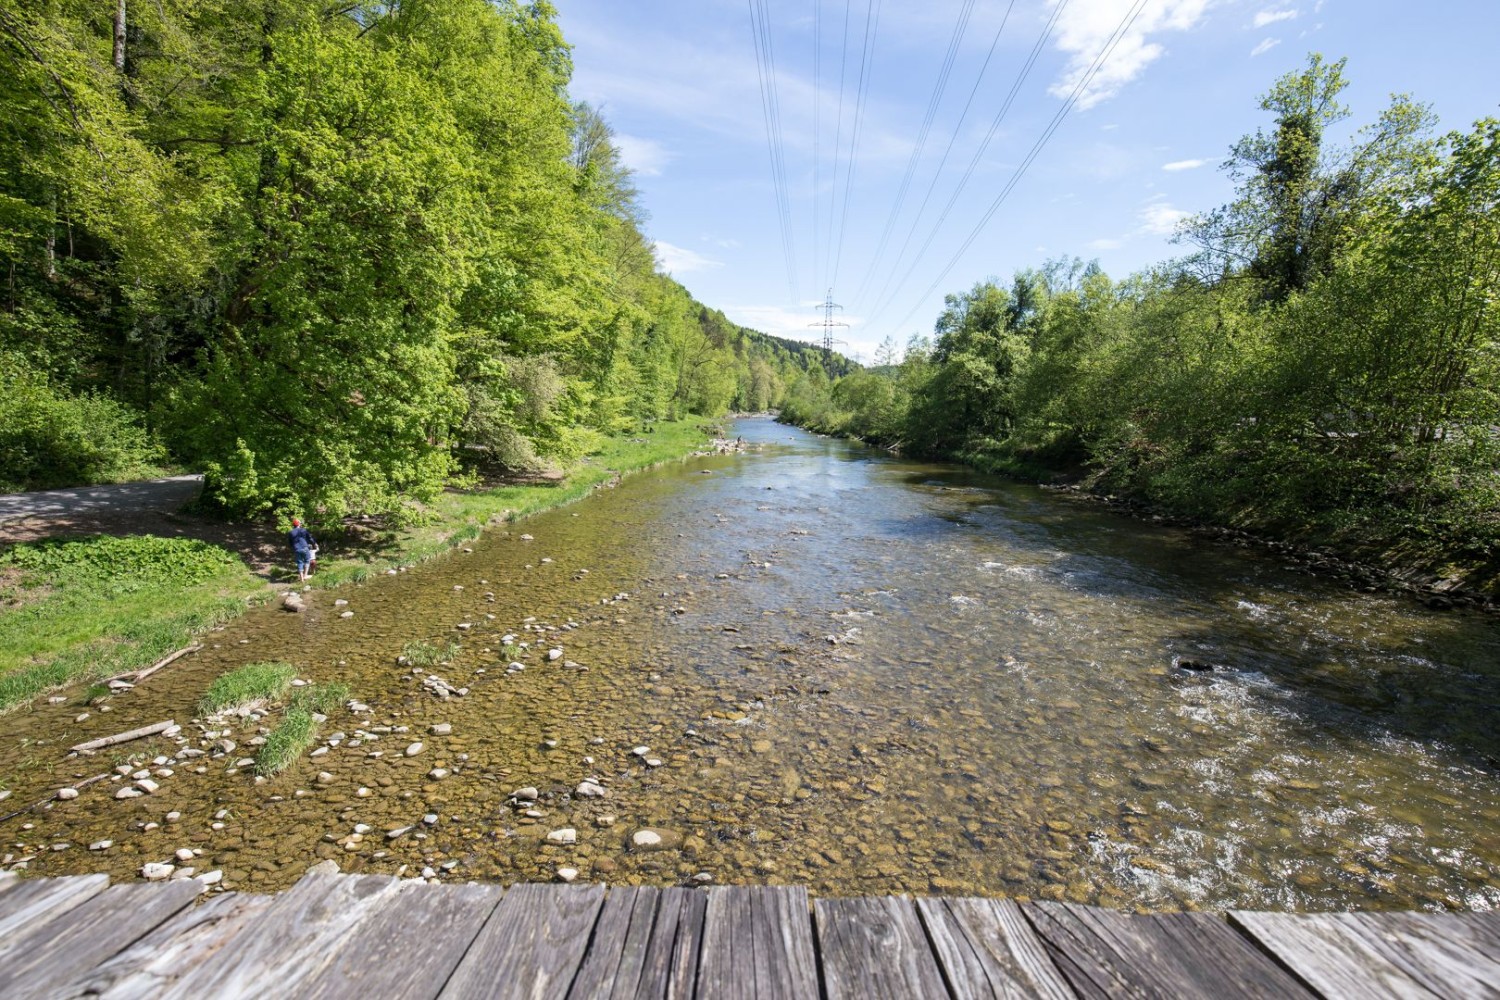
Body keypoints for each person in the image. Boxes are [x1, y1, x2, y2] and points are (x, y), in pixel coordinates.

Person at [288, 517, 317, 583]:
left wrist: (294, 548)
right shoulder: (303, 530)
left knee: (299, 562)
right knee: (307, 560)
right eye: (300, 523)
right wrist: (314, 544)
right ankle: (305, 575)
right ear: (298, 524)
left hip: (297, 549)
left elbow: (290, 543)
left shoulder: (290, 532)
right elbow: (310, 538)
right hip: (304, 547)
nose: (301, 524)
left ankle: (301, 579)